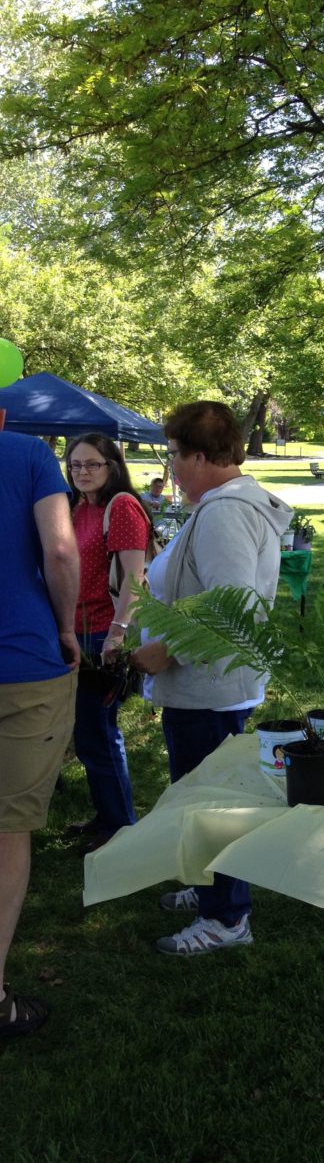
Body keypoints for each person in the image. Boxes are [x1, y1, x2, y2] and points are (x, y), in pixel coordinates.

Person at [131, 401, 292, 956]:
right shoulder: (221, 505)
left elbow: (235, 607)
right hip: (208, 684)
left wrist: (167, 649)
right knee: (200, 797)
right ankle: (207, 888)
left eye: (175, 454)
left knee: (216, 803)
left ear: (201, 455)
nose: (170, 466)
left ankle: (228, 916)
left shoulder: (226, 512)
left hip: (212, 686)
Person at [1, 432, 80, 1040]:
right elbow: (60, 551)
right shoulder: (28, 455)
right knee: (7, 830)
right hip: (24, 663)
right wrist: (66, 627)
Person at [66, 432, 154, 851]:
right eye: (75, 465)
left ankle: (120, 825)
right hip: (77, 631)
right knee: (87, 734)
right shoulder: (77, 506)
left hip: (104, 632)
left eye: (92, 464)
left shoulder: (121, 507)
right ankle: (106, 815)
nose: (82, 472)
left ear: (113, 467)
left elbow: (134, 579)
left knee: (100, 732)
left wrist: (117, 634)